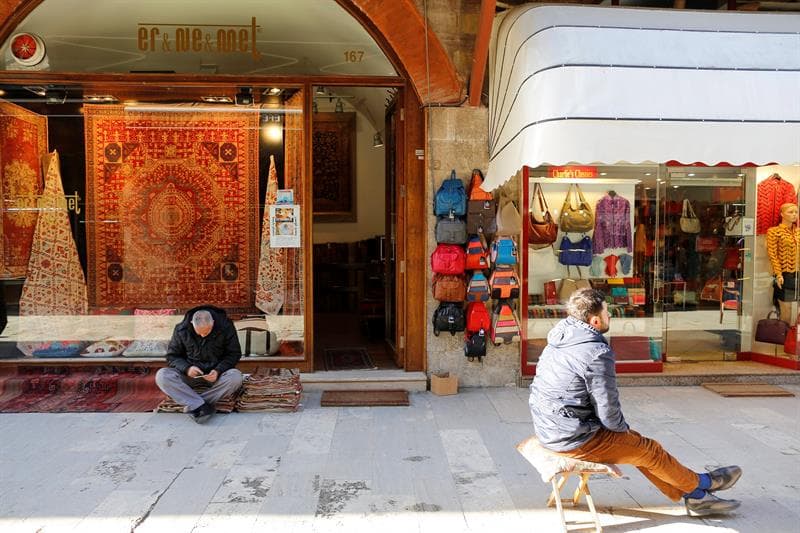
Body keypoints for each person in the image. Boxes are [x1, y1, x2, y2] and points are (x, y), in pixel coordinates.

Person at [529, 288, 742, 516]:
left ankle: (696, 495)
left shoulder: (561, 336)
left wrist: (626, 435)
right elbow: (608, 411)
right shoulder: (595, 352)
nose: (610, 315)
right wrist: (623, 432)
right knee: (648, 450)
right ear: (595, 320)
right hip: (572, 438)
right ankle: (702, 485)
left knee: (639, 447)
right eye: (607, 312)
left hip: (550, 427)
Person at [156, 305, 243, 423]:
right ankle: (202, 405)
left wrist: (218, 370)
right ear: (192, 323)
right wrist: (187, 368)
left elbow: (234, 354)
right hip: (189, 376)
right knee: (162, 376)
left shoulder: (226, 327)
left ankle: (195, 404)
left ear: (213, 322)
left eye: (207, 332)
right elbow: (172, 356)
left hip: (216, 376)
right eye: (199, 333)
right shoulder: (181, 329)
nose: (203, 335)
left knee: (236, 377)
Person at [766, 203, 799, 323]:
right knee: (786, 309)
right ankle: (785, 333)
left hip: (798, 274)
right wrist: (778, 274)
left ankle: (793, 333)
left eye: (796, 212)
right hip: (785, 275)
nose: (794, 215)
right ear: (782, 214)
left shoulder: (798, 232)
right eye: (790, 212)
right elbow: (773, 255)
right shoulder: (774, 232)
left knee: (796, 311)